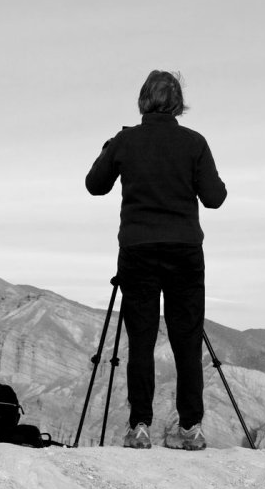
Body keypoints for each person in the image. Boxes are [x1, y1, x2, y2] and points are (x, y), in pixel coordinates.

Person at [85, 70, 227, 450]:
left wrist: (108, 150)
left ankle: (140, 426)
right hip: (184, 251)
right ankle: (191, 427)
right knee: (186, 339)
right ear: (178, 103)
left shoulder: (125, 142)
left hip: (138, 250)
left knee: (142, 339)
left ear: (143, 101)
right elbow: (215, 198)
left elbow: (94, 185)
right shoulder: (194, 143)